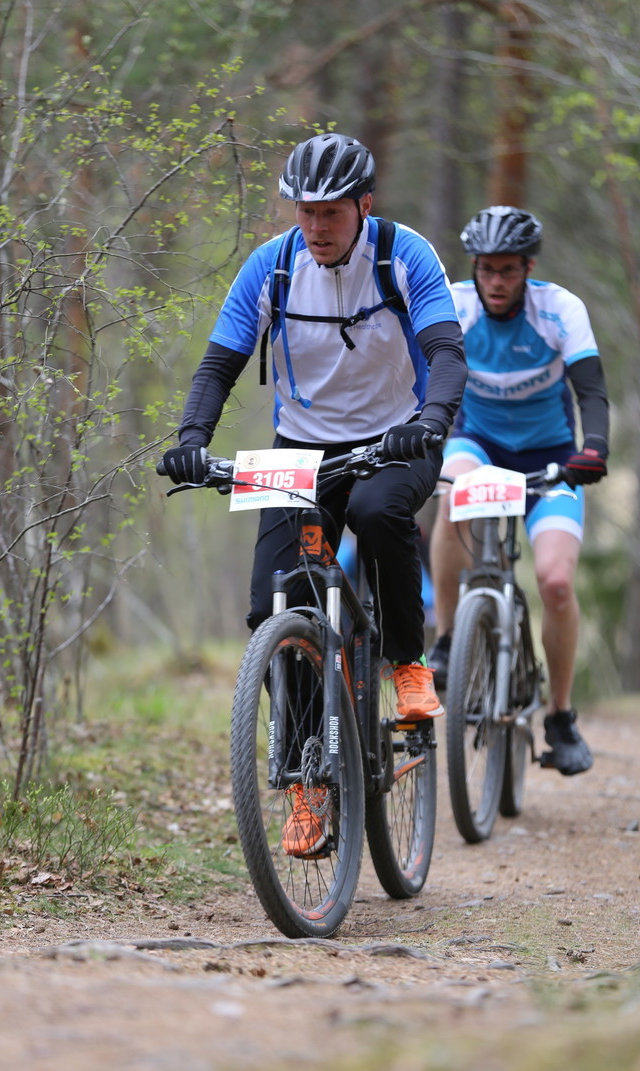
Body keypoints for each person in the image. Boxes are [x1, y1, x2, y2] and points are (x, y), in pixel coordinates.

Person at [160, 132, 467, 851]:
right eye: (305, 211)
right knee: (274, 600)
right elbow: (218, 365)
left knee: (376, 509)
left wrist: (429, 421)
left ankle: (409, 663)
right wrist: (191, 440)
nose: (317, 226)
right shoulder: (270, 267)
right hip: (301, 449)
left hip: (398, 438)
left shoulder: (404, 255)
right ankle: (305, 783)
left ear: (364, 204)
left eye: (331, 211)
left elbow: (447, 353)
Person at [428, 205, 609, 776]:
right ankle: (449, 641)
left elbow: (592, 391)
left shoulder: (559, 310)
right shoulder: (454, 305)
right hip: (476, 442)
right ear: (474, 269)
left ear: (528, 268)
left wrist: (595, 447)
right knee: (452, 491)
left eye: (508, 270)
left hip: (551, 457)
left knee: (556, 582)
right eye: (487, 270)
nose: (497, 282)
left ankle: (559, 714)